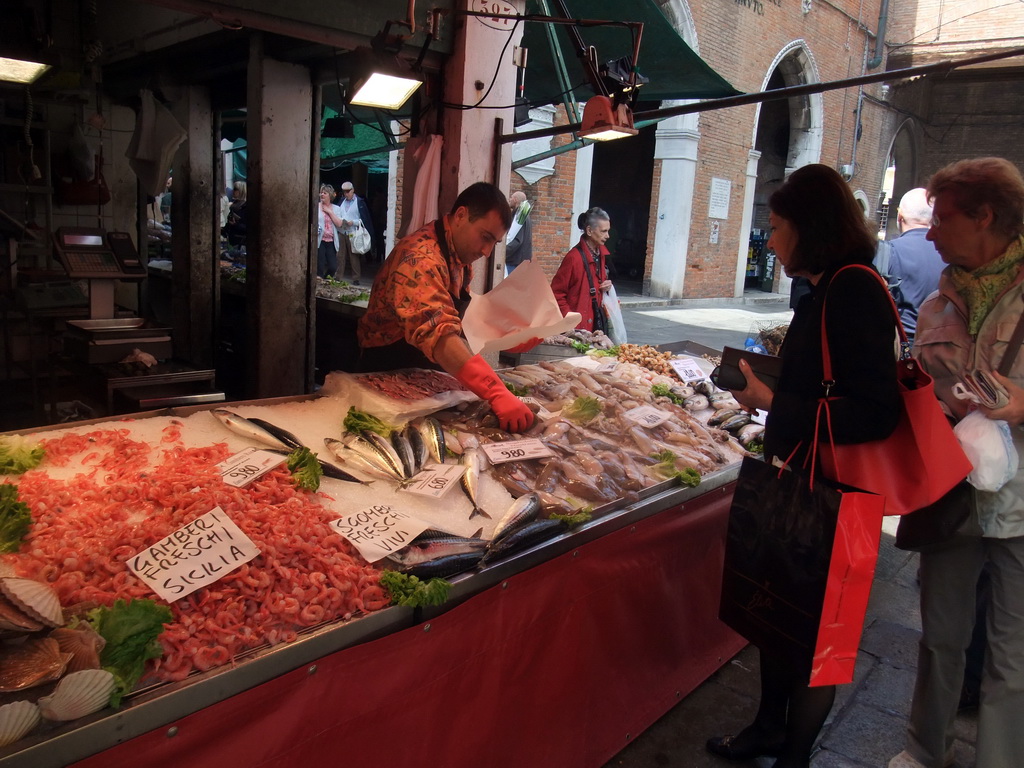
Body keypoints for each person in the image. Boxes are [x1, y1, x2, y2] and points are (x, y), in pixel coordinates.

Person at [709, 164, 901, 768]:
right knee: (778, 610)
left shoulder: (855, 289)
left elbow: (875, 409)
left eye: (777, 224)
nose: (770, 238)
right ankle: (768, 727)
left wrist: (773, 404)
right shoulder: (826, 286)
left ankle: (795, 756)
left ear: (807, 226)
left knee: (820, 634)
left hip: (839, 493)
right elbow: (824, 377)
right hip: (800, 475)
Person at [888, 157, 1024, 768]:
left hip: (1022, 502)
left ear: (985, 217)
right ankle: (923, 751)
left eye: (943, 218)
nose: (932, 232)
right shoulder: (947, 288)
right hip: (953, 488)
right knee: (941, 638)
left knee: (1012, 656)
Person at [357, 181, 535, 433]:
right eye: (485, 237)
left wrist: (508, 334)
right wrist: (496, 392)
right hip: (386, 373)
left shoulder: (457, 256)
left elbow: (455, 313)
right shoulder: (420, 258)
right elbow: (440, 336)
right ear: (461, 215)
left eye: (493, 243)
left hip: (421, 374)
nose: (486, 252)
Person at [875, 187, 945, 341]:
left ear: (900, 216)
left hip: (898, 348)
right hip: (936, 347)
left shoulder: (885, 252)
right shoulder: (949, 255)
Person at [551, 207, 613, 333]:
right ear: (589, 231)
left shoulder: (600, 254)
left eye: (608, 231)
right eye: (603, 231)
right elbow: (556, 294)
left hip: (594, 327)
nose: (608, 236)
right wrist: (570, 323)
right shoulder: (573, 258)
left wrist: (607, 286)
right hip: (576, 329)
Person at [335, 180, 374, 285]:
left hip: (353, 232)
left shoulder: (360, 202)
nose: (346, 194)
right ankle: (338, 276)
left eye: (348, 191)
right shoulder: (341, 201)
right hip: (342, 231)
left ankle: (356, 278)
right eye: (344, 192)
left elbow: (364, 219)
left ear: (353, 190)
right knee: (340, 255)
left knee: (354, 256)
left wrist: (353, 222)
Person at [316, 183, 345, 279]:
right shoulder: (317, 207)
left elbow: (339, 223)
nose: (322, 195)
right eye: (321, 193)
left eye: (325, 193)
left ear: (330, 195)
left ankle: (325, 280)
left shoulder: (336, 209)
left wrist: (329, 212)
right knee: (319, 265)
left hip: (331, 241)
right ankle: (319, 281)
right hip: (319, 240)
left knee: (333, 267)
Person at [504, 190, 533, 274]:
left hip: (514, 261)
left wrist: (503, 252)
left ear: (515, 200)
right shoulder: (524, 216)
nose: (509, 199)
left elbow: (517, 241)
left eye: (511, 197)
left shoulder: (519, 218)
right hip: (520, 261)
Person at [223, 181, 247, 248]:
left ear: (241, 191)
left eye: (236, 189)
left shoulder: (246, 207)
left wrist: (236, 225)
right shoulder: (234, 206)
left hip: (241, 242)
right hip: (232, 241)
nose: (233, 191)